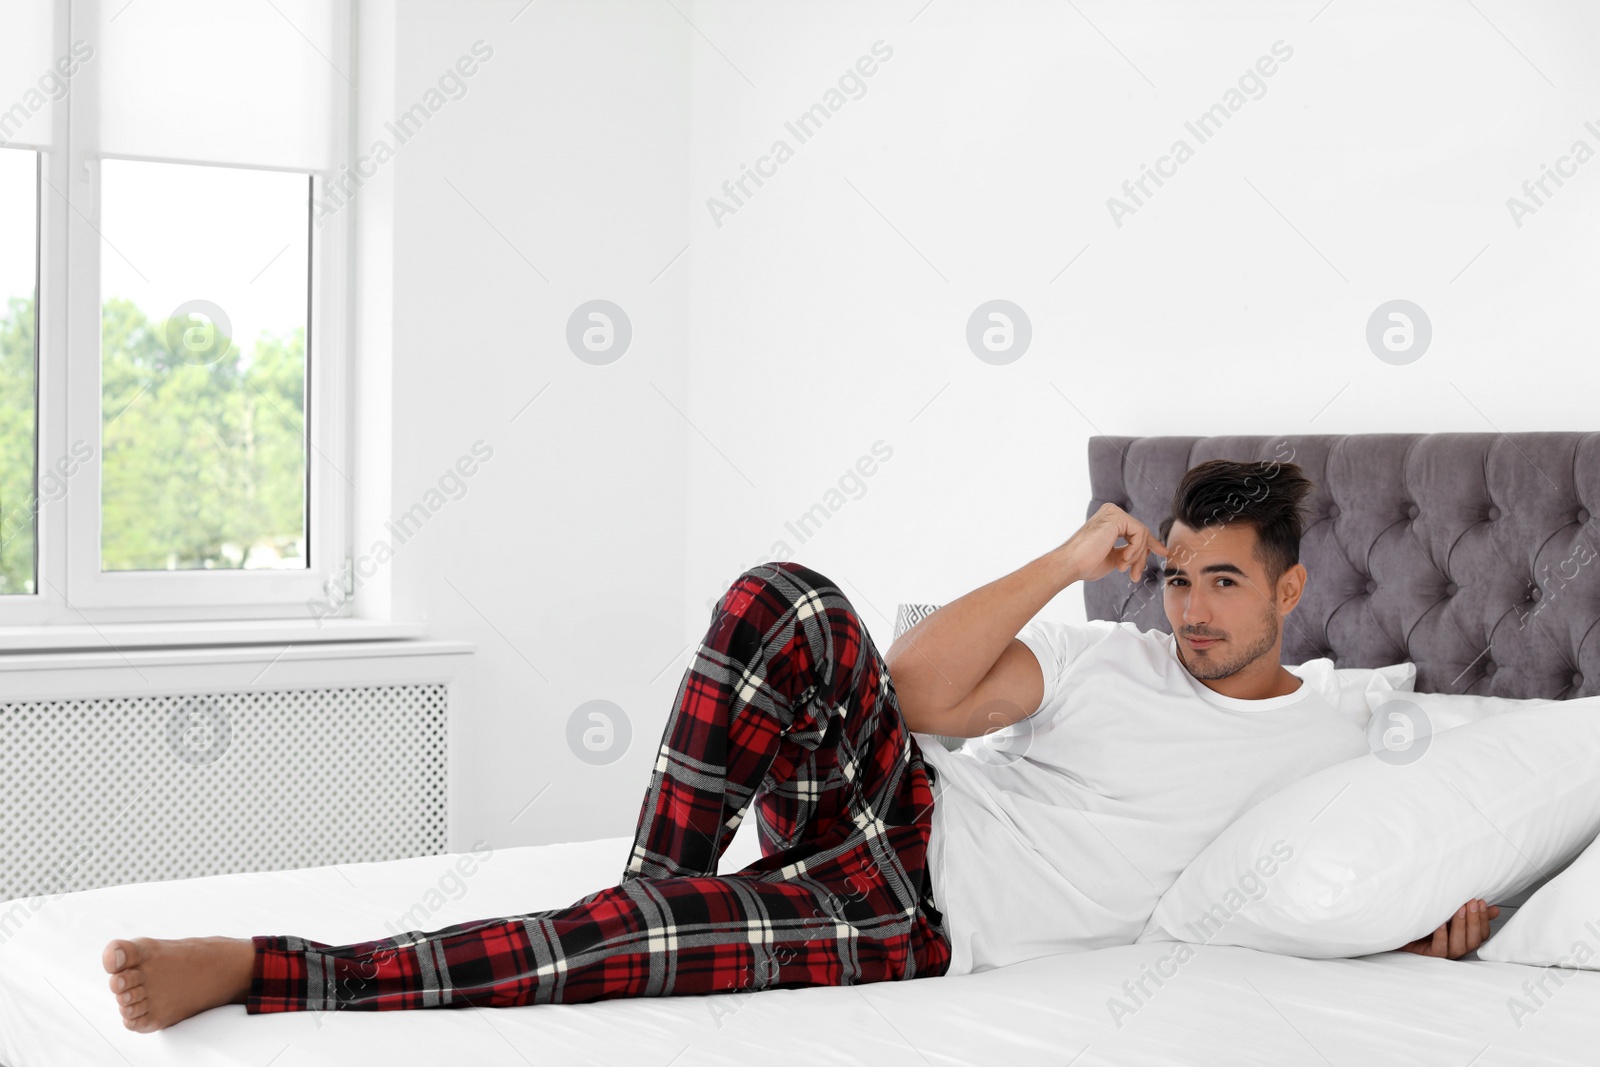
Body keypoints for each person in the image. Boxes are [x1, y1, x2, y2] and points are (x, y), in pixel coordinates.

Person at [102, 459, 1494, 1031]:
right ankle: (657, 890)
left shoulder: (1344, 725)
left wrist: (1435, 926)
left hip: (913, 916)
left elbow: (1389, 849)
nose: (1192, 613)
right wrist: (1066, 560)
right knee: (786, 597)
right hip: (897, 802)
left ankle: (280, 970)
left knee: (624, 942)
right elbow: (917, 689)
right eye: (1178, 580)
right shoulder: (1105, 657)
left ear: (1293, 590)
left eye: (1225, 586)